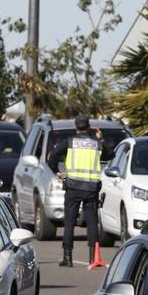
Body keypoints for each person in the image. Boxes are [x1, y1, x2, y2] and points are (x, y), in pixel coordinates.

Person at [47, 114, 103, 267]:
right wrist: (99, 139)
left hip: (73, 186)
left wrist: (57, 172)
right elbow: (111, 154)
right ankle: (93, 258)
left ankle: (68, 257)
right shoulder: (96, 144)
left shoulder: (69, 142)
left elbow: (52, 158)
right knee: (92, 222)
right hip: (91, 188)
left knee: (69, 222)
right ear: (89, 126)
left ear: (75, 126)